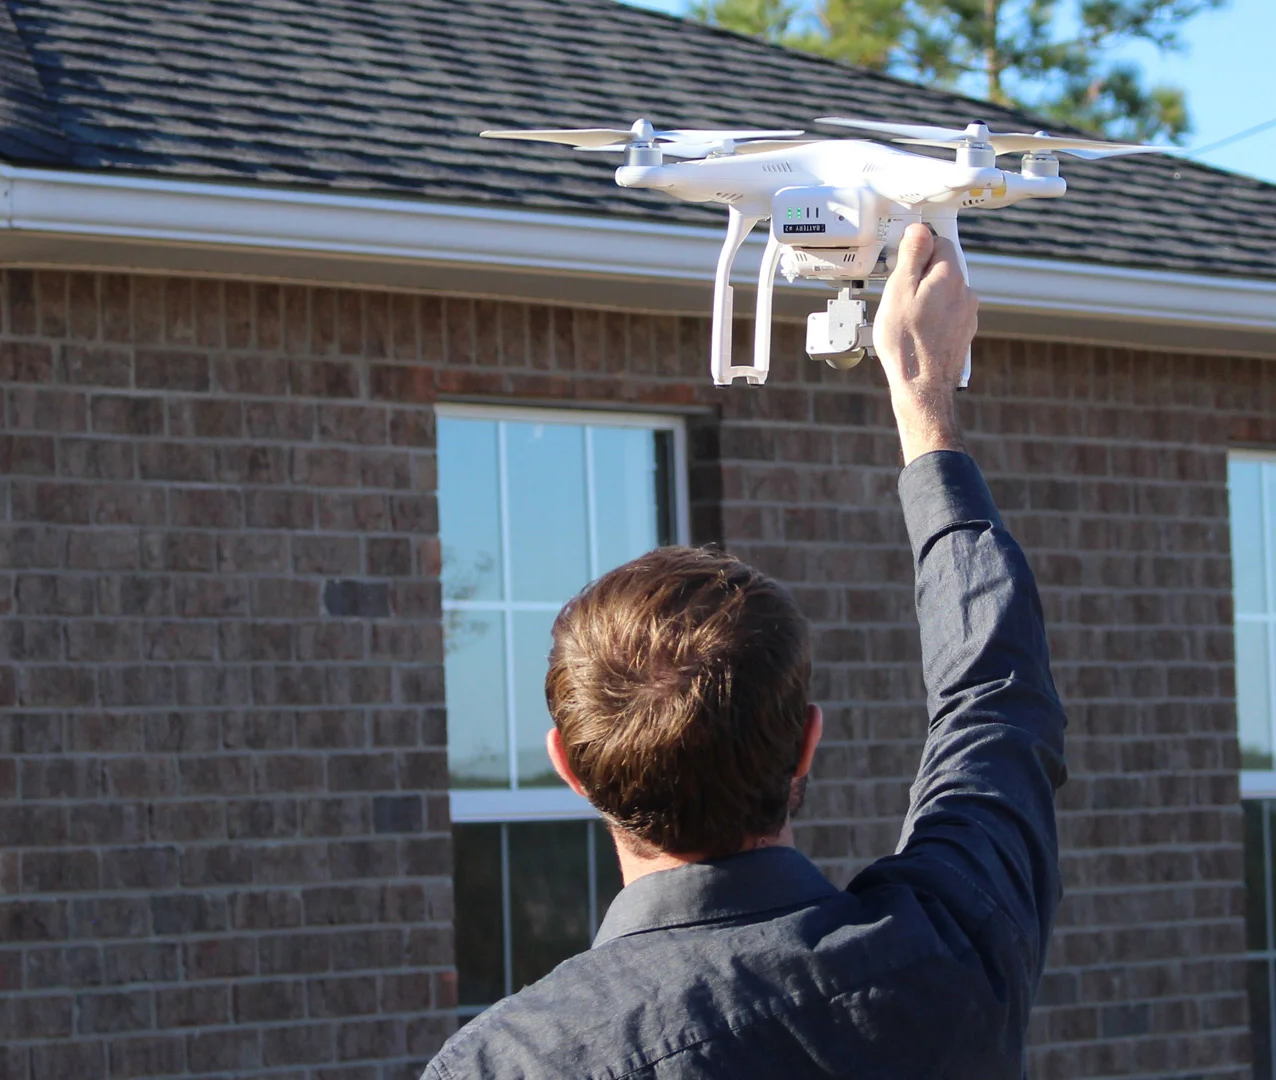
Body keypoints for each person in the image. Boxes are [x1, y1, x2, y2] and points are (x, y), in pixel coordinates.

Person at [425, 223, 1067, 1079]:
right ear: (807, 740)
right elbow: (995, 708)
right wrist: (925, 401)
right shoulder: (947, 959)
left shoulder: (506, 1064)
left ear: (569, 768)